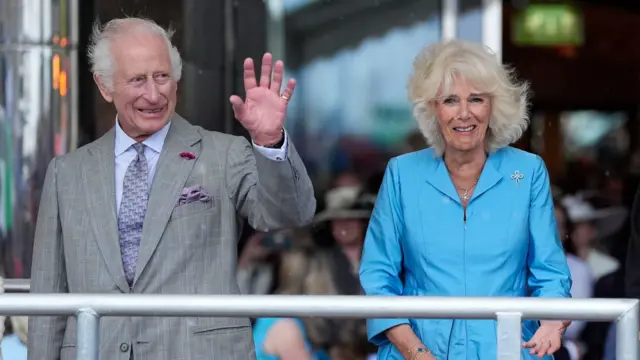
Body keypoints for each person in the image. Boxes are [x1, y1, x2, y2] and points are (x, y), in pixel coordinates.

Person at [27, 17, 315, 360]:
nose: (153, 93)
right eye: (137, 80)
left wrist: (269, 141)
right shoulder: (67, 173)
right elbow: (49, 301)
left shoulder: (223, 154)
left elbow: (288, 214)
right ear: (105, 87)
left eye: (162, 76)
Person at [359, 39, 572, 360]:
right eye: (449, 100)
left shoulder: (527, 172)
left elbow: (550, 272)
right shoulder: (402, 174)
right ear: (432, 108)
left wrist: (553, 322)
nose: (463, 113)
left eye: (476, 99)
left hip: (509, 348)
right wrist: (416, 352)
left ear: (493, 106)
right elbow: (378, 276)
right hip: (417, 348)